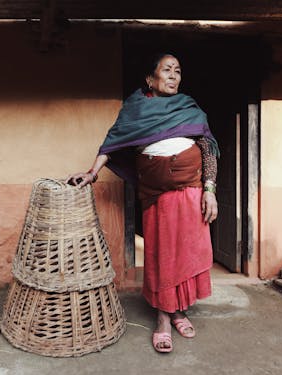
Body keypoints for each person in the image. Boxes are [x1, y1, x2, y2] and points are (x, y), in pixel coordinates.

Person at [67, 53, 219, 353]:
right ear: (151, 79)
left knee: (186, 252)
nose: (173, 76)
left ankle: (179, 311)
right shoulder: (136, 109)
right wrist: (92, 173)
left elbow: (207, 147)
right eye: (167, 70)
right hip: (157, 194)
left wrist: (210, 190)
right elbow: (114, 141)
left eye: (178, 71)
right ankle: (163, 317)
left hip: (191, 189)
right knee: (162, 253)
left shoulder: (190, 108)